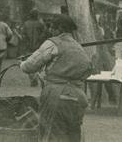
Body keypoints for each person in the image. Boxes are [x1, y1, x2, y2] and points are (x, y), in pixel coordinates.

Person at [20, 14, 93, 142]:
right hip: (79, 96)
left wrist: (22, 63)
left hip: (56, 96)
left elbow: (29, 66)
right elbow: (87, 69)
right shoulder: (78, 47)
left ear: (59, 28)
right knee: (73, 136)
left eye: (52, 28)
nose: (51, 31)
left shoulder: (52, 43)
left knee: (53, 135)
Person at [21, 9, 46, 86]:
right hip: (38, 46)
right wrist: (39, 40)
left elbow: (23, 35)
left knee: (29, 62)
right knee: (39, 62)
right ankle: (37, 77)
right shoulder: (40, 24)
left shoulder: (26, 24)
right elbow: (44, 33)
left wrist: (26, 42)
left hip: (28, 46)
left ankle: (32, 79)